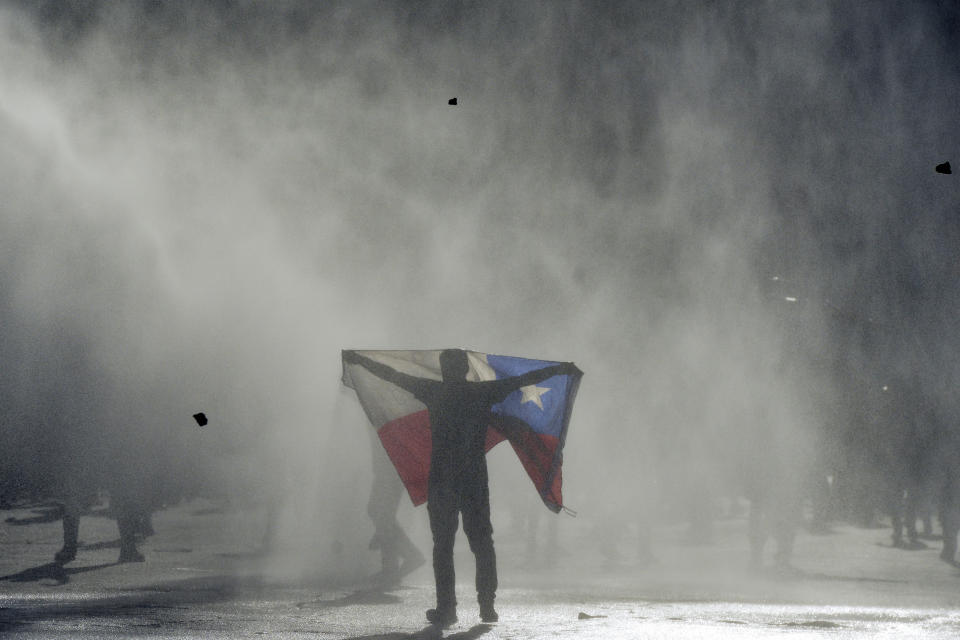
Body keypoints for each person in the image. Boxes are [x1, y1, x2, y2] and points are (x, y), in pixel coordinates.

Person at [343, 348, 578, 627]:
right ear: (466, 369)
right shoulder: (482, 393)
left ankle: (447, 609)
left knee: (443, 545)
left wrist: (360, 360)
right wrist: (560, 370)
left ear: (444, 369)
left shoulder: (434, 391)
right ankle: (487, 605)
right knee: (482, 543)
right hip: (474, 480)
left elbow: (393, 376)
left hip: (442, 479)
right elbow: (522, 379)